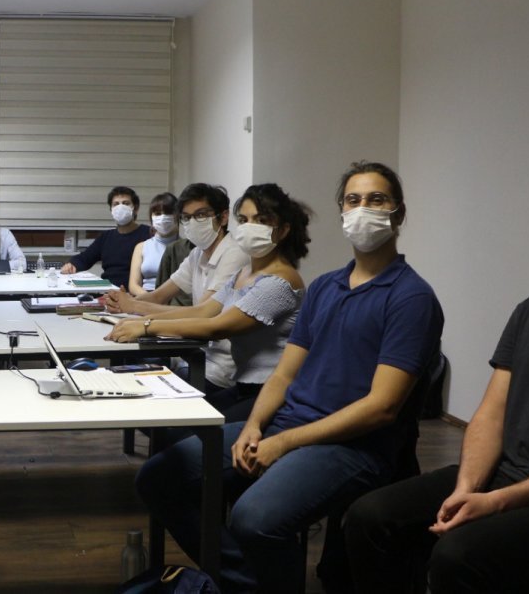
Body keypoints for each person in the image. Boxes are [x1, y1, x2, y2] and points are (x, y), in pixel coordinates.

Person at [135, 161, 444, 593]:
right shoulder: (326, 287)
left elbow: (382, 407)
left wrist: (283, 443)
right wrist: (256, 425)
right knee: (158, 478)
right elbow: (283, 375)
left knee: (255, 517)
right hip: (286, 423)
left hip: (353, 446)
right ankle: (243, 582)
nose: (363, 209)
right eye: (353, 200)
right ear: (341, 211)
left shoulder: (411, 297)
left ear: (399, 212)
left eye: (377, 200)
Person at [343, 152, 529, 594]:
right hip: (507, 475)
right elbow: (491, 413)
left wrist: (499, 501)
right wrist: (466, 488)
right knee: (370, 518)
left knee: (460, 555)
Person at [107, 183, 310, 423]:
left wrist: (146, 326)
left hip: (269, 392)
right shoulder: (244, 273)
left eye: (261, 220)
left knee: (180, 428)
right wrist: (140, 319)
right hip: (242, 384)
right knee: (168, 421)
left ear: (283, 230)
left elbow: (216, 326)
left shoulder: (279, 281)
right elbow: (205, 310)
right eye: (244, 220)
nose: (249, 227)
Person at [105, 183, 250, 389]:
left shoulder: (235, 254)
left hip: (222, 369)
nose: (193, 222)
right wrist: (123, 303)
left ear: (224, 217)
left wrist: (137, 311)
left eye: (201, 215)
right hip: (195, 356)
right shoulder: (198, 253)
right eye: (187, 217)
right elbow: (159, 295)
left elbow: (203, 314)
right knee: (124, 379)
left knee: (140, 387)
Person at [61, 186, 153, 289]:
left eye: (126, 203)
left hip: (134, 292)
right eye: (116, 204)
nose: (120, 207)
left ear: (136, 208)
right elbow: (85, 258)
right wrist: (71, 264)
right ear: (111, 210)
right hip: (107, 290)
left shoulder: (148, 234)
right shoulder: (106, 237)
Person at [128, 191, 180, 296]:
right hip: (145, 297)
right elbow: (133, 285)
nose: (163, 217)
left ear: (179, 215)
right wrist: (151, 299)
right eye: (158, 214)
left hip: (176, 300)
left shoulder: (187, 247)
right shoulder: (141, 247)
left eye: (168, 213)